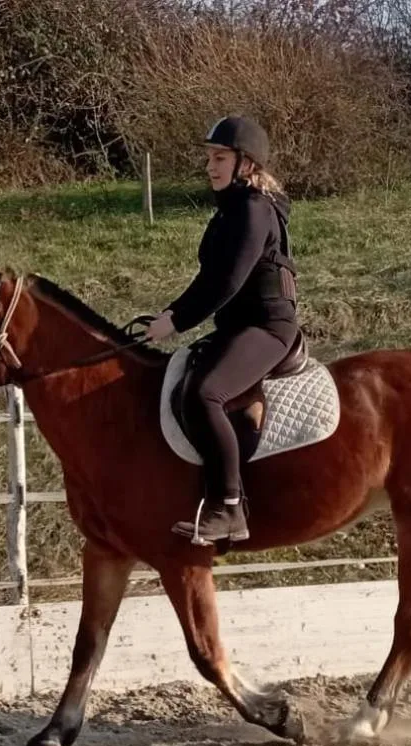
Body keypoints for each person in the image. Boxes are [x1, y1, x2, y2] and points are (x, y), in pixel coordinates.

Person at [145, 115, 301, 545]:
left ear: (246, 164)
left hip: (268, 328)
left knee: (204, 394)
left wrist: (175, 322)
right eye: (209, 158)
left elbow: (227, 281)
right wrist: (170, 311)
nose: (210, 166)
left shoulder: (253, 211)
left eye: (220, 158)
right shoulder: (233, 210)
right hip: (239, 325)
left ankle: (230, 508)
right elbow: (209, 280)